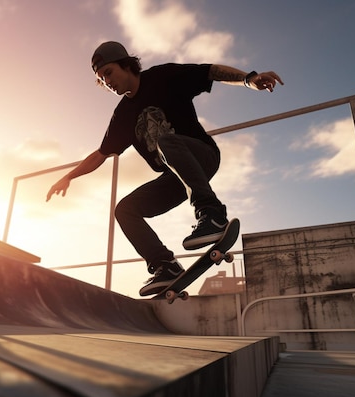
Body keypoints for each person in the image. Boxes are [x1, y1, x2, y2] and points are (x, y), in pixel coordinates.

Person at [46, 41, 283, 296]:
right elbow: (102, 153)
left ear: (126, 65)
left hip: (202, 156)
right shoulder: (123, 114)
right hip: (176, 178)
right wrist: (69, 177)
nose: (107, 82)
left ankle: (211, 212)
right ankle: (164, 265)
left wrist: (249, 79)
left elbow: (210, 72)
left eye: (109, 73)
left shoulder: (164, 77)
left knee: (165, 141)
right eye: (102, 80)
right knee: (125, 210)